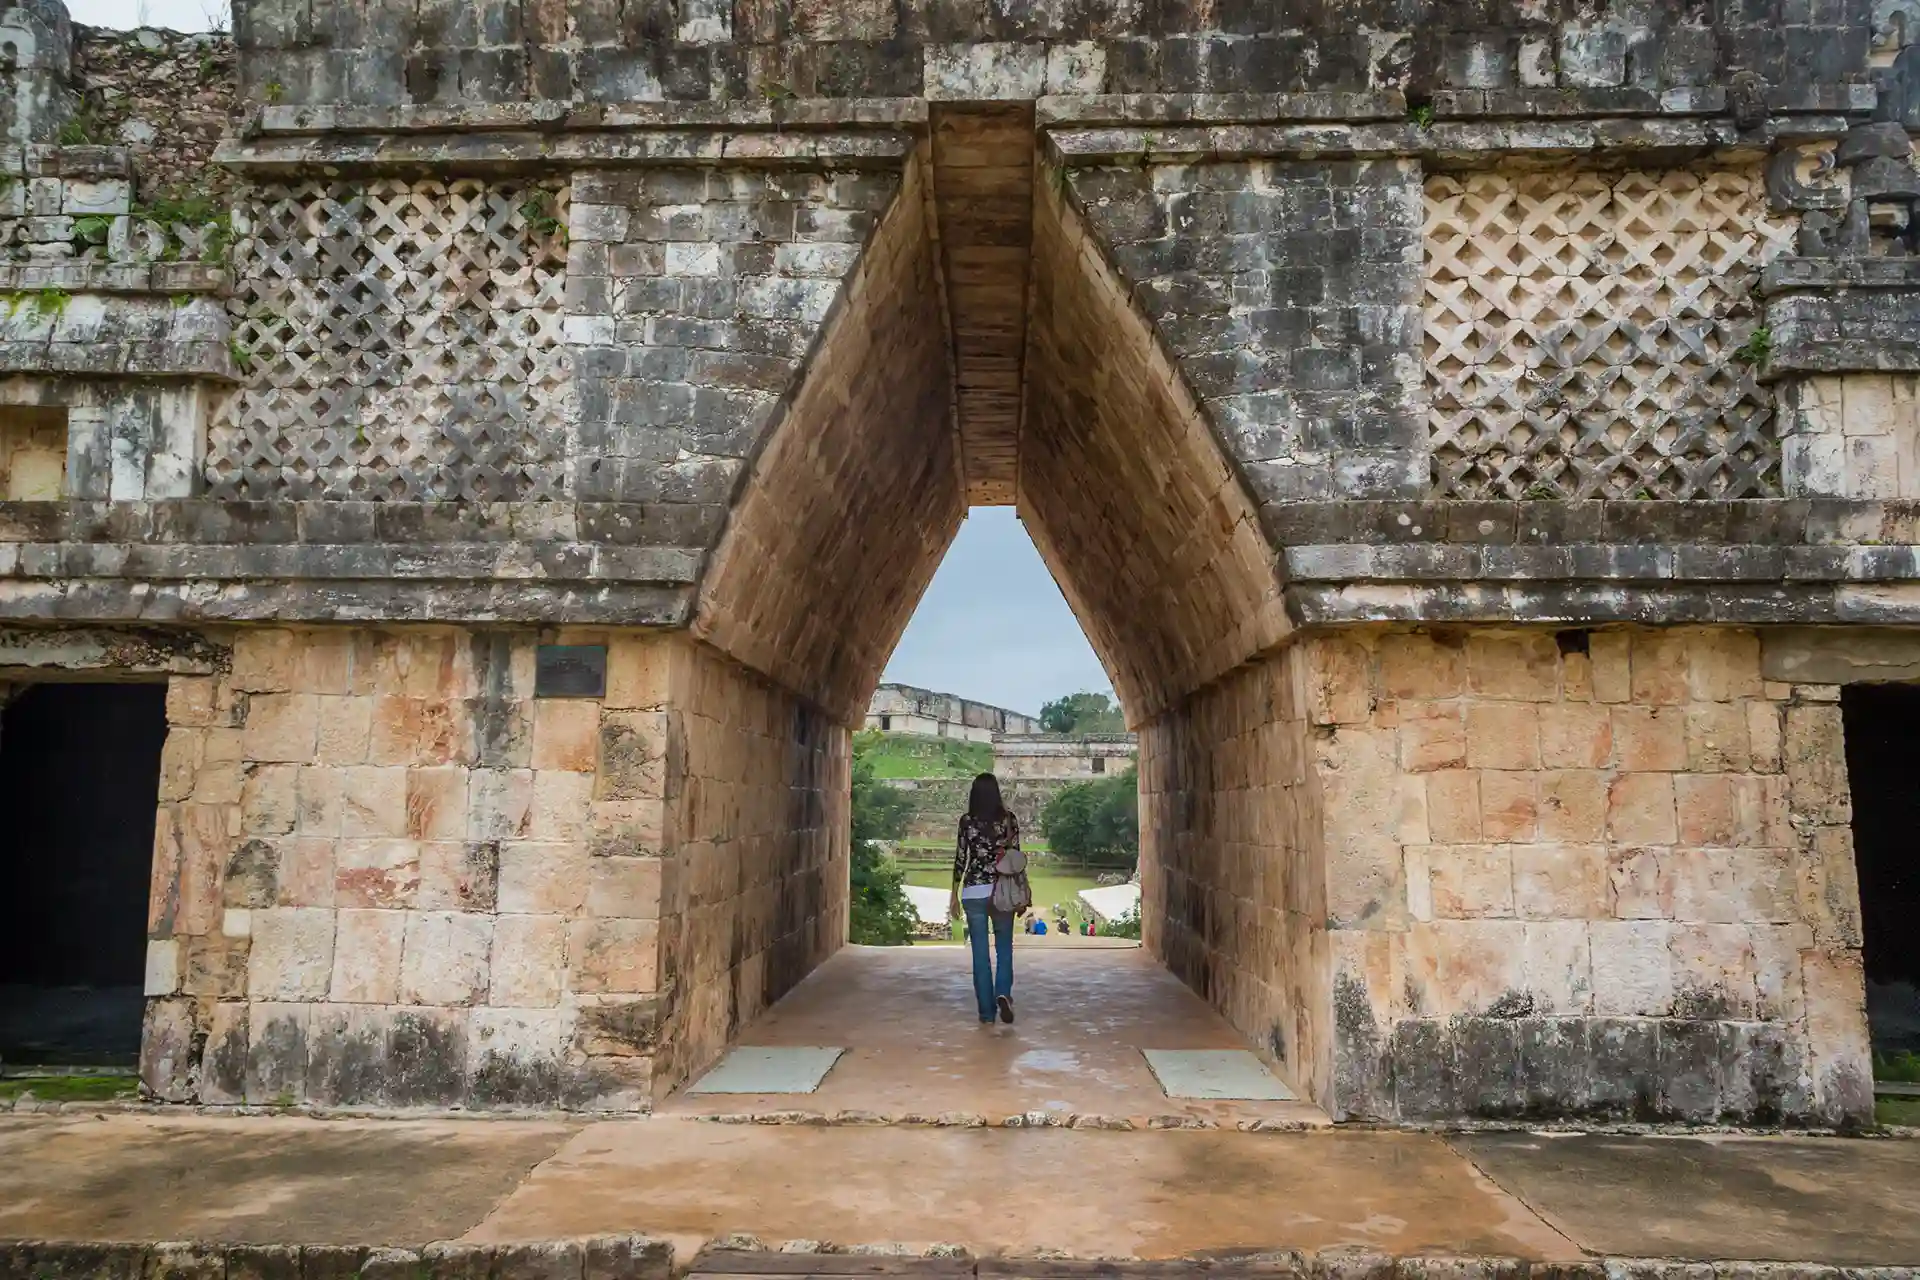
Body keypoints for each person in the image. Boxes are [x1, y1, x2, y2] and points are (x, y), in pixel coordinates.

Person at [949, 772, 1021, 1025]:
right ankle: (1003, 992)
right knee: (1004, 949)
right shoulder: (1009, 821)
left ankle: (986, 1013)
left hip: (974, 890)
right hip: (1002, 890)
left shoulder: (967, 822)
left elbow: (961, 859)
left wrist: (954, 895)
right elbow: (1016, 861)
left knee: (980, 954)